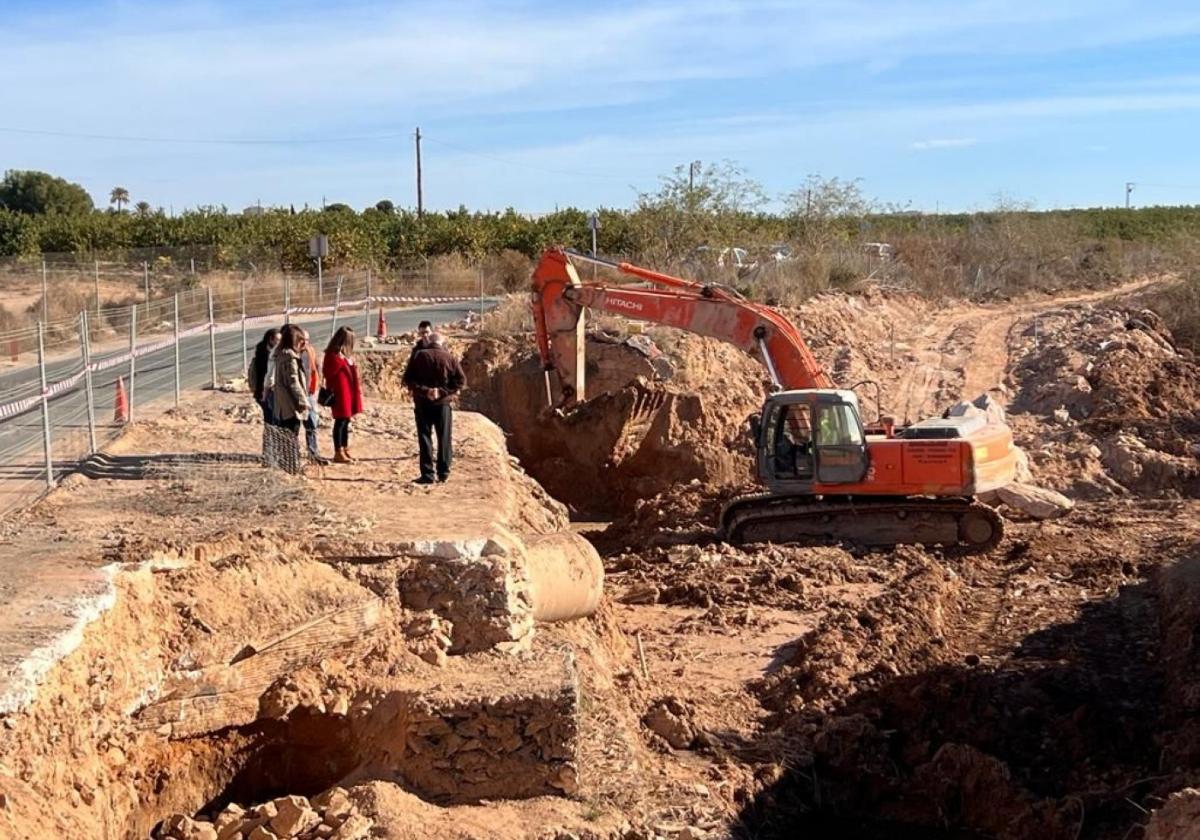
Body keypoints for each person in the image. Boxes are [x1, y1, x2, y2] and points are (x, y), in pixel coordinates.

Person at [402, 332, 465, 484]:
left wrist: (425, 391)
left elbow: (408, 379)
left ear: (429, 341)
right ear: (442, 343)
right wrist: (442, 392)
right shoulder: (450, 358)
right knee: (444, 437)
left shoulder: (419, 356)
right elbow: (460, 380)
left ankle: (427, 473)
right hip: (443, 404)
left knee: (425, 437)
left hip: (422, 403)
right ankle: (443, 472)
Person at [270, 324, 310, 474]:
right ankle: (292, 467)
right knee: (291, 436)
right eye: (300, 341)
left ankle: (288, 465)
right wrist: (303, 401)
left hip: (282, 403)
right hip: (290, 404)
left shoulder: (281, 355)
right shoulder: (289, 358)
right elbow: (293, 382)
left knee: (287, 436)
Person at [322, 326, 364, 463]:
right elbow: (329, 372)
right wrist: (342, 360)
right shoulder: (332, 355)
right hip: (339, 394)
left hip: (348, 392)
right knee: (340, 422)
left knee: (346, 421)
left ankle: (344, 448)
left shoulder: (344, 356)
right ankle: (338, 451)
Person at [298, 328, 329, 465]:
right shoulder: (293, 355)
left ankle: (313, 452)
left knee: (312, 423)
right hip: (299, 394)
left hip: (311, 393)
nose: (305, 342)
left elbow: (315, 367)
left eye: (307, 340)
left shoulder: (310, 350)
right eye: (302, 340)